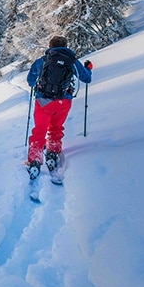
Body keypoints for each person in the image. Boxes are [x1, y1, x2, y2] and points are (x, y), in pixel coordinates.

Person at [26, 35, 92, 179]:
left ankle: (35, 160)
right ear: (65, 46)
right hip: (63, 102)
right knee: (55, 128)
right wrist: (88, 68)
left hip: (43, 101)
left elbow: (30, 80)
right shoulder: (72, 61)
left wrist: (36, 83)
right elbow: (86, 78)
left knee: (39, 130)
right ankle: (53, 153)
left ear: (50, 46)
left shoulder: (43, 61)